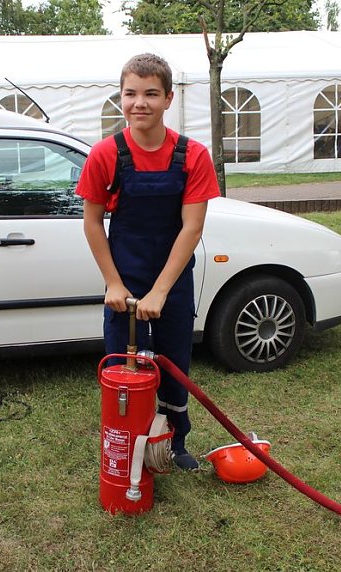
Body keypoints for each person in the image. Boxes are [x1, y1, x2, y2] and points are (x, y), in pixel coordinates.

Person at [77, 53, 220, 471]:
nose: (140, 103)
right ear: (121, 97)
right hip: (125, 276)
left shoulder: (192, 155)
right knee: (125, 367)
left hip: (172, 279)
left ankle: (174, 442)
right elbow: (91, 224)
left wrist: (161, 290)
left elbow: (191, 228)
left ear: (169, 98)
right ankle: (126, 439)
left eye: (151, 94)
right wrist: (114, 284)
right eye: (131, 94)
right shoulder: (106, 154)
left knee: (174, 362)